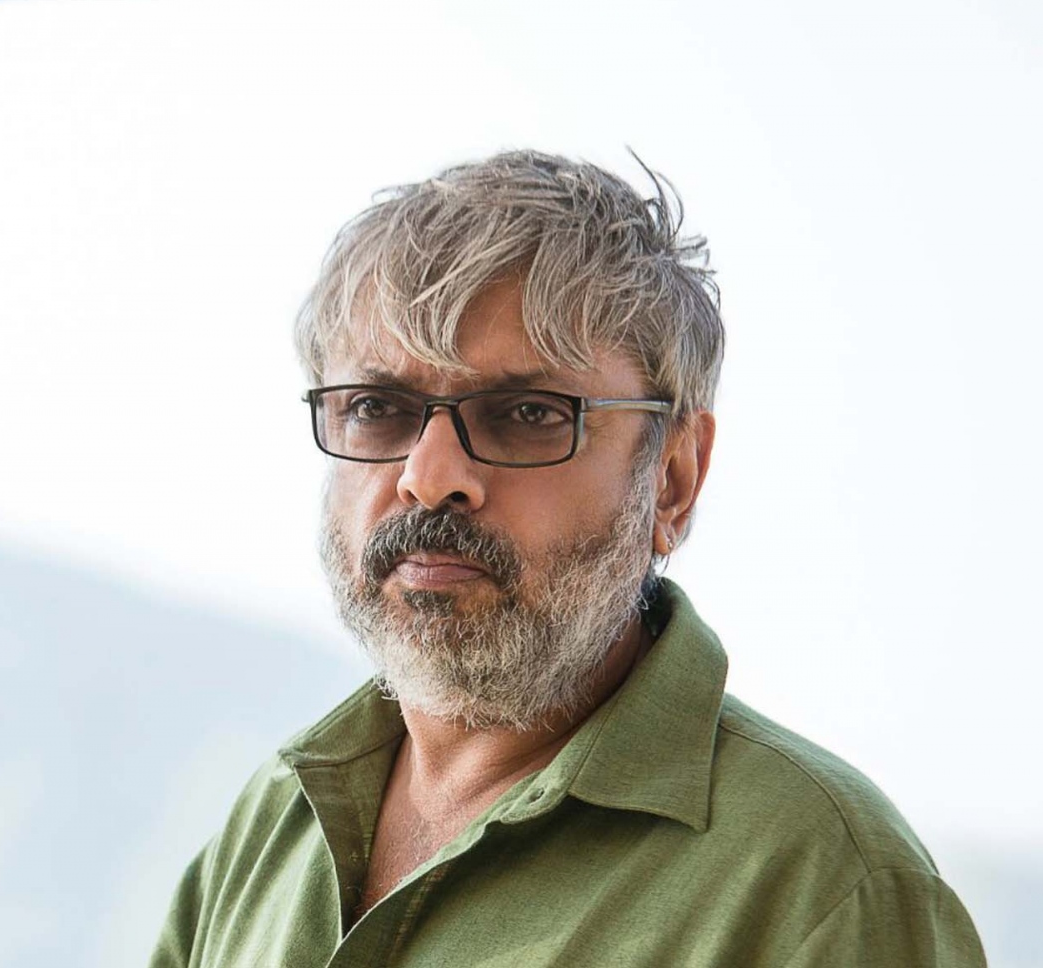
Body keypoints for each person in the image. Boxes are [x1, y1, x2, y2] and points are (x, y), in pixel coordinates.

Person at [149, 150, 986, 967]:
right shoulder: (273, 826)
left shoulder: (825, 890)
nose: (429, 478)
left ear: (672, 477)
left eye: (526, 413)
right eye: (376, 408)